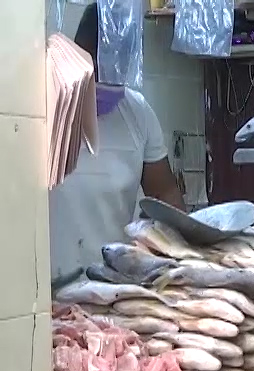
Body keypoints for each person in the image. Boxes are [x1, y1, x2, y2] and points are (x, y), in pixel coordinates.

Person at [49, 2, 185, 282]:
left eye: (115, 71)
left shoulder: (139, 114)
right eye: (96, 69)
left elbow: (166, 196)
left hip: (114, 291)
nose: (103, 81)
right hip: (45, 295)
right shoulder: (37, 111)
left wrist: (179, 253)